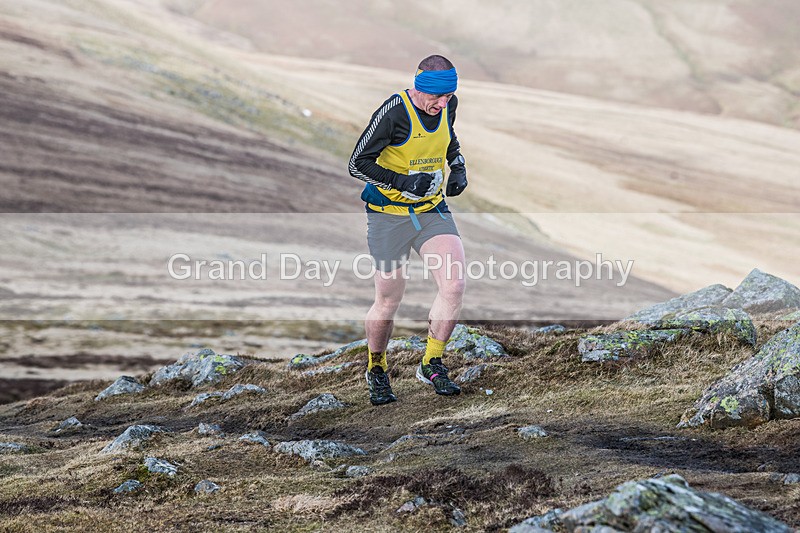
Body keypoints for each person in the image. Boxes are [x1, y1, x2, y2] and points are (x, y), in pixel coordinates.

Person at [348, 54, 469, 406]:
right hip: (388, 215)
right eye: (437, 97)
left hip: (431, 210)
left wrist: (457, 166)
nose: (443, 104)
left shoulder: (448, 105)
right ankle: (377, 368)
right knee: (388, 300)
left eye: (449, 97)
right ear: (419, 89)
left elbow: (449, 139)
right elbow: (357, 163)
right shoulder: (394, 113)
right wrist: (404, 182)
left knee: (454, 283)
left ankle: (431, 362)